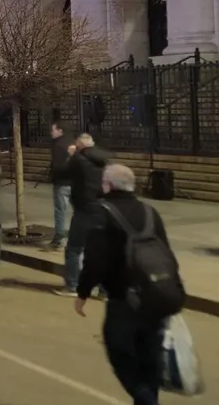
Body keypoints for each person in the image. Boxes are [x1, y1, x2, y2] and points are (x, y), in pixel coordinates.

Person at [74, 164, 176, 405]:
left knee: (119, 353)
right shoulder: (150, 212)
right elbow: (167, 254)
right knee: (149, 358)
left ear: (107, 185)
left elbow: (94, 259)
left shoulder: (101, 213)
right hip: (155, 298)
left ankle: (146, 400)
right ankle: (148, 399)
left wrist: (83, 292)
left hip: (123, 300)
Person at [50, 133, 111, 297]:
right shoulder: (102, 159)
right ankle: (104, 290)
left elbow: (60, 173)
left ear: (79, 146)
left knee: (74, 249)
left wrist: (71, 156)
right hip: (102, 208)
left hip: (85, 209)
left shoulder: (78, 159)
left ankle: (72, 285)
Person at [48, 122, 73, 250]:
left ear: (60, 130)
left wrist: (52, 172)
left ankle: (59, 239)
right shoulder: (71, 142)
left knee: (60, 211)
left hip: (62, 183)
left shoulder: (58, 145)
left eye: (53, 130)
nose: (51, 132)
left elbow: (58, 166)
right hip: (74, 182)